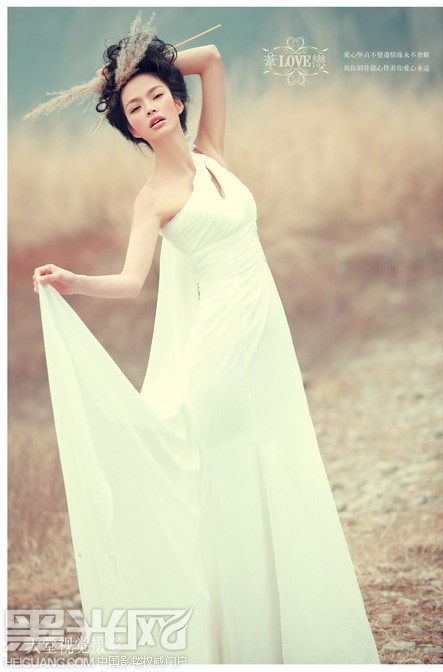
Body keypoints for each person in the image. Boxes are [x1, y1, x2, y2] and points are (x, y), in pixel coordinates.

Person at [30, 21, 380, 665]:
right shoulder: (153, 199)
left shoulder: (213, 153)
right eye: (134, 109)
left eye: (156, 96)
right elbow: (132, 282)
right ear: (132, 130)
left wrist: (126, 71)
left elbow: (213, 58)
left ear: (176, 99)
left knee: (278, 466)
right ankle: (242, 647)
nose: (149, 109)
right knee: (235, 485)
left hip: (264, 339)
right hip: (218, 354)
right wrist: (73, 282)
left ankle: (286, 632)